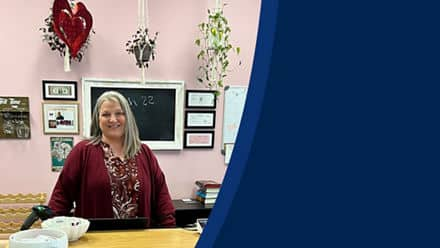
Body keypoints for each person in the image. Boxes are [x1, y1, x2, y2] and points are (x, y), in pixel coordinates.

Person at [48, 91, 176, 227]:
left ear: (128, 117)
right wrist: (52, 231)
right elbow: (61, 197)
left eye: (119, 113)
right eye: (106, 114)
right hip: (96, 241)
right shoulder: (82, 152)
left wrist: (170, 230)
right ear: (98, 119)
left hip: (141, 240)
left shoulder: (144, 153)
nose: (113, 119)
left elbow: (162, 200)